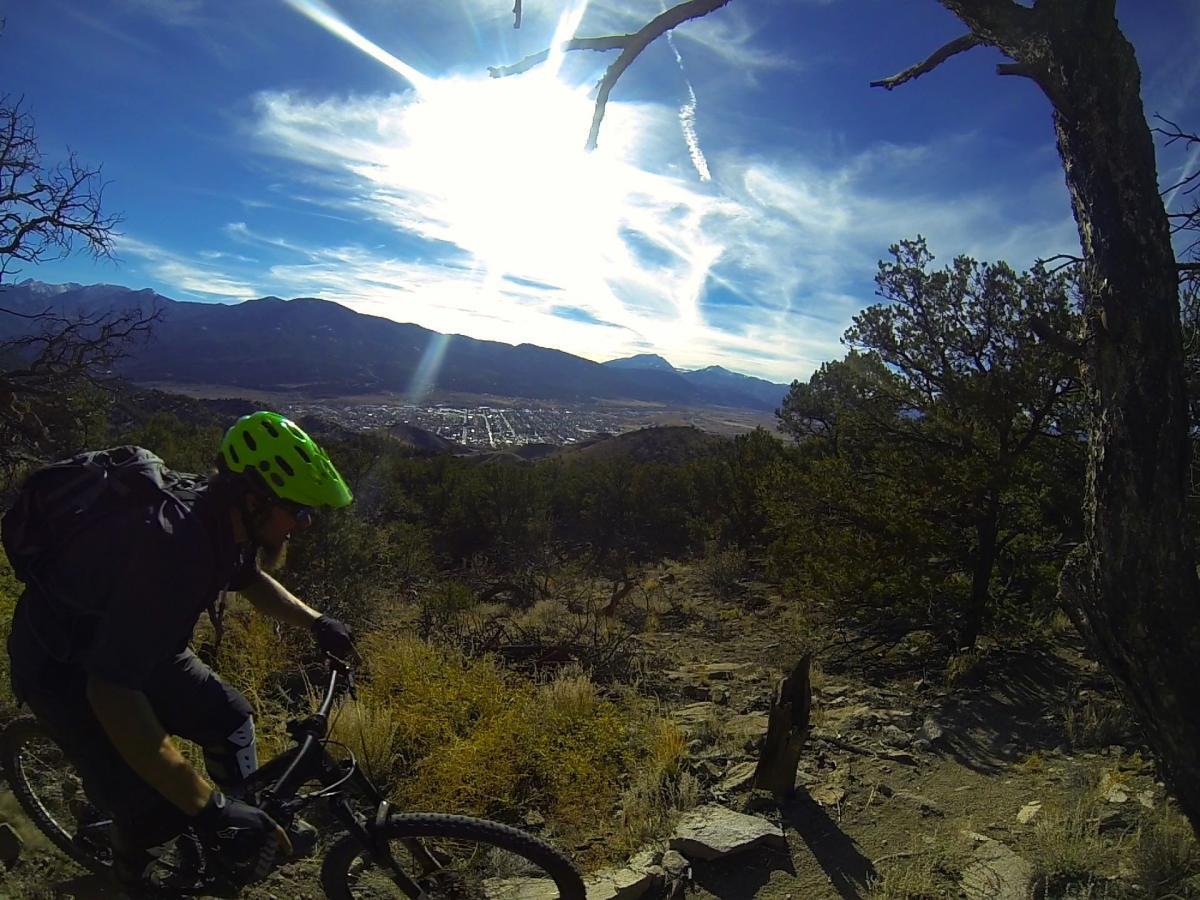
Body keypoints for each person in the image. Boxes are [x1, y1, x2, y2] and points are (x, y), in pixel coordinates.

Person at [5, 411, 355, 895]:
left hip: (137, 646)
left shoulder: (221, 518)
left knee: (230, 719)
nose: (306, 523)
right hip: (65, 668)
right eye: (298, 510)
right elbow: (110, 689)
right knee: (156, 812)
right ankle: (131, 877)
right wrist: (206, 805)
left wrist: (316, 622)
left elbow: (248, 579)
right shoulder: (174, 549)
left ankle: (241, 835)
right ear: (254, 498)